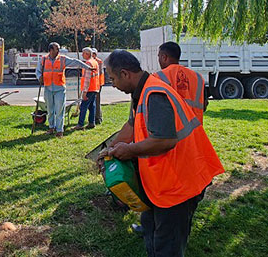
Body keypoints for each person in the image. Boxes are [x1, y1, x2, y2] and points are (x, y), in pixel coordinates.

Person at [98, 50, 224, 257]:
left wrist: (128, 151)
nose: (113, 85)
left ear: (125, 74)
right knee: (151, 229)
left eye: (112, 79)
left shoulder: (154, 93)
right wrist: (109, 150)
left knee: (168, 246)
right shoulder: (141, 92)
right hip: (163, 184)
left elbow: (165, 140)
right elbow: (131, 126)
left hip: (180, 185)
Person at [35, 42, 91, 137]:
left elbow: (75, 62)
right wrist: (39, 77)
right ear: (51, 50)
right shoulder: (43, 60)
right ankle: (51, 127)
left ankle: (59, 130)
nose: (58, 51)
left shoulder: (62, 59)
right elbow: (38, 71)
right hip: (48, 88)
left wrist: (88, 67)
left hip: (59, 89)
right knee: (50, 110)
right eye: (56, 49)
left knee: (60, 110)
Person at [155, 42, 208, 122]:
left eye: (159, 56)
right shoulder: (198, 78)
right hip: (195, 131)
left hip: (170, 132)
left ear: (164, 57)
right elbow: (204, 105)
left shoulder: (156, 78)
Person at [75, 47, 101, 130]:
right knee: (92, 106)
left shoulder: (88, 63)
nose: (82, 55)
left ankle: (80, 124)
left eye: (83, 53)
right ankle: (91, 123)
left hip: (89, 89)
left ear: (87, 54)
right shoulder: (95, 62)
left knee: (83, 107)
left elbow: (87, 79)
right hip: (94, 88)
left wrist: (84, 92)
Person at [91, 48, 105, 125]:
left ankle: (98, 118)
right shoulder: (92, 61)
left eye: (93, 53)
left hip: (97, 84)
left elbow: (98, 73)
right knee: (94, 101)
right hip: (94, 84)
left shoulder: (98, 62)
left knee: (97, 101)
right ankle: (96, 117)